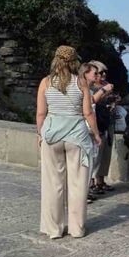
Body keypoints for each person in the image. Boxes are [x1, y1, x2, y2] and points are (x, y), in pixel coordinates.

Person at [35, 46, 101, 239]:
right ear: (74, 62)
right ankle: (76, 228)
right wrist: (96, 134)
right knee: (78, 184)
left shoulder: (45, 82)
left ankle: (53, 229)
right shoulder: (81, 83)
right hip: (77, 138)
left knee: (52, 184)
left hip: (52, 136)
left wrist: (40, 133)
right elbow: (88, 113)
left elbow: (41, 113)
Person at [89, 60, 117, 195]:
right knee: (95, 156)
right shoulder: (91, 88)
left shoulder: (106, 86)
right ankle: (92, 182)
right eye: (100, 73)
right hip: (97, 123)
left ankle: (100, 180)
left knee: (106, 154)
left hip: (107, 122)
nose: (103, 75)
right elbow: (92, 102)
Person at [78, 62, 101, 203]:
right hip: (85, 131)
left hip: (81, 131)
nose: (97, 76)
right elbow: (89, 113)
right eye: (95, 73)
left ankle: (82, 193)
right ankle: (82, 195)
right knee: (86, 165)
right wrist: (96, 133)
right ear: (85, 73)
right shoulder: (85, 91)